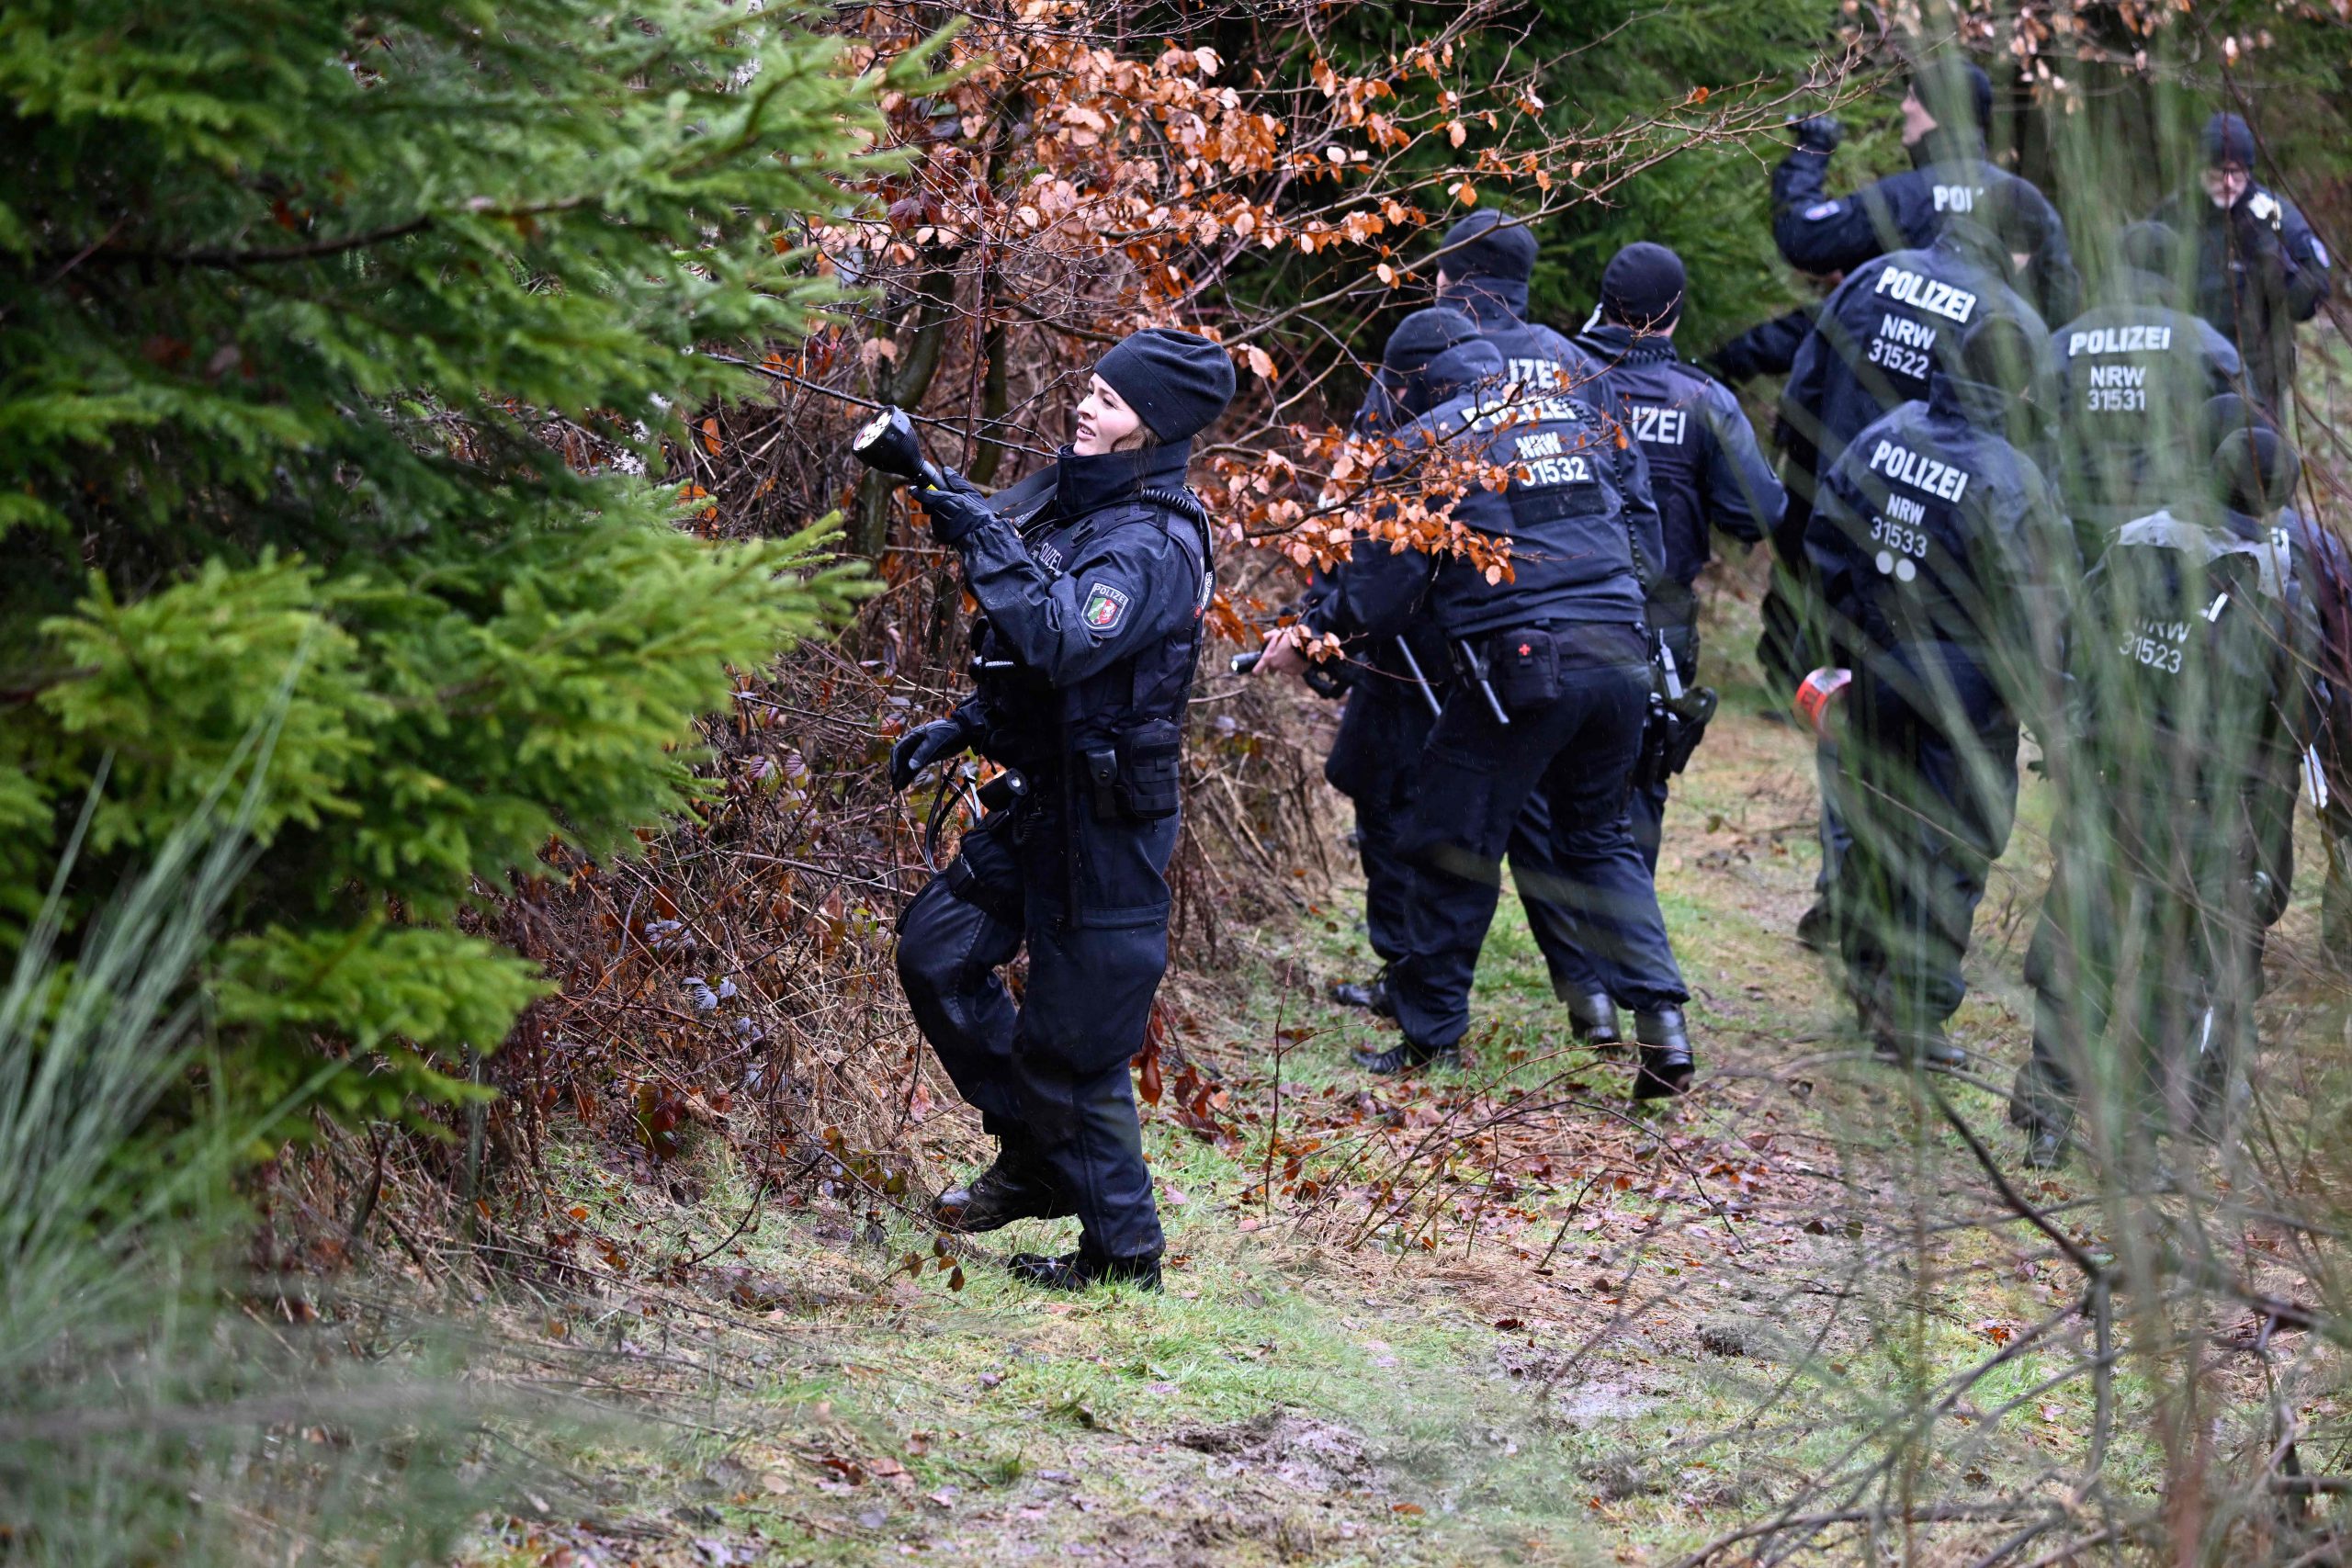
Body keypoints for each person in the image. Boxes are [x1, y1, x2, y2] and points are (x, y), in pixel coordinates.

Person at [1256, 325, 1694, 1097]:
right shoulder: (1574, 417)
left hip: (1525, 669)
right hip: (1622, 654)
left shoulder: (1432, 441)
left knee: (1449, 839)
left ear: (1421, 385)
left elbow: (1379, 598)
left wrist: (1314, 636)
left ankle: (1431, 1037)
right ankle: (1662, 1021)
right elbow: (1642, 534)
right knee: (1596, 835)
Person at [888, 328, 1234, 1291]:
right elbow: (1036, 663)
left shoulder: (1153, 543)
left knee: (1075, 1049)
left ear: (1152, 427)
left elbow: (1059, 641)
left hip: (1105, 827)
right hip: (1039, 803)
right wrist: (961, 727)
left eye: (1110, 402)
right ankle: (1039, 1159)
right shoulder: (1080, 503)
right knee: (938, 953)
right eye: (1088, 389)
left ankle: (1125, 1256)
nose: (1086, 407)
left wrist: (971, 530)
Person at [2013, 420, 2320, 1168]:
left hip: (2109, 788)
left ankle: (2048, 1116)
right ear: (2278, 498)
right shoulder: (2280, 583)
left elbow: (2067, 650)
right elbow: (2295, 722)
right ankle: (2145, 1139)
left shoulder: (2133, 540)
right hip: (2206, 812)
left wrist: (2071, 746)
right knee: (2180, 976)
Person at [1804, 314, 2076, 1067]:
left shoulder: (1883, 436)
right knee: (1952, 844)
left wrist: (1844, 648)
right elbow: (2036, 608)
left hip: (1877, 665)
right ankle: (1914, 1018)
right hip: (1966, 686)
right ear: (2018, 383)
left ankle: (1866, 983)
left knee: (1877, 820)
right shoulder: (2011, 475)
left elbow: (1827, 538)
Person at [1529, 243, 1782, 1041]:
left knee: (1538, 797)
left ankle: (1585, 988)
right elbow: (1758, 511)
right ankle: (1616, 977)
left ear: (1602, 299)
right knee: (1631, 798)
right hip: (1657, 630)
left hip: (1552, 614)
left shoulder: (1559, 378)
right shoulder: (1704, 400)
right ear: (1673, 313)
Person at [1781, 208, 2052, 953]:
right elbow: (2030, 580)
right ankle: (1904, 970)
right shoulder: (2008, 320)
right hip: (1959, 611)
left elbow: (1806, 386)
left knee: (1862, 763)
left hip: (1866, 550)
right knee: (1954, 813)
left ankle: (1848, 908)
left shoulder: (1869, 278)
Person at [1773, 57, 2079, 322]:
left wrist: (1811, 149)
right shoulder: (2027, 205)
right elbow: (2061, 307)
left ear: (1938, 111)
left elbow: (1803, 238)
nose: (1905, 108)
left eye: (1914, 98)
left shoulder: (1902, 198)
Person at [2048, 221, 2242, 557]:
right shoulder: (2204, 343)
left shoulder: (2065, 340)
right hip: (2172, 528)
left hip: (2078, 521)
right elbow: (2240, 433)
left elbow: (2033, 426)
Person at [2150, 111, 2333, 413]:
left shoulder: (2274, 217)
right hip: (2186, 378)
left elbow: (2309, 301)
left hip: (2259, 382)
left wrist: (2273, 259)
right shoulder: (2174, 216)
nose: (2228, 182)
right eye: (2217, 171)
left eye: (2236, 172)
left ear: (2249, 170)